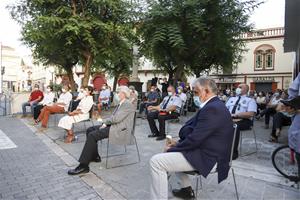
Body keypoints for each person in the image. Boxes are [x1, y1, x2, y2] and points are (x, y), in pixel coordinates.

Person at [149, 77, 234, 200]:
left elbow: (195, 139)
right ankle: (186, 190)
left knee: (156, 162)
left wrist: (175, 147)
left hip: (209, 156)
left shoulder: (213, 108)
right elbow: (198, 134)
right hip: (206, 149)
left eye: (196, 92)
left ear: (206, 91)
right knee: (173, 152)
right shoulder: (213, 105)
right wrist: (177, 144)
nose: (194, 95)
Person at [67, 86, 135, 175]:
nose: (117, 94)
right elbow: (114, 118)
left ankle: (83, 166)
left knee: (92, 135)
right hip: (114, 125)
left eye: (118, 93)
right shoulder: (121, 103)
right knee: (90, 130)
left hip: (120, 129)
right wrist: (105, 122)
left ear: (123, 94)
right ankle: (95, 156)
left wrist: (105, 122)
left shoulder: (127, 104)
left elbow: (117, 118)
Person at [226, 84, 257, 160]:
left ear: (246, 90)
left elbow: (251, 114)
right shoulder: (231, 99)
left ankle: (232, 153)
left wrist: (236, 115)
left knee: (234, 126)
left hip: (244, 121)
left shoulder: (250, 100)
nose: (237, 88)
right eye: (238, 87)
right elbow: (224, 109)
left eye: (240, 87)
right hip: (230, 119)